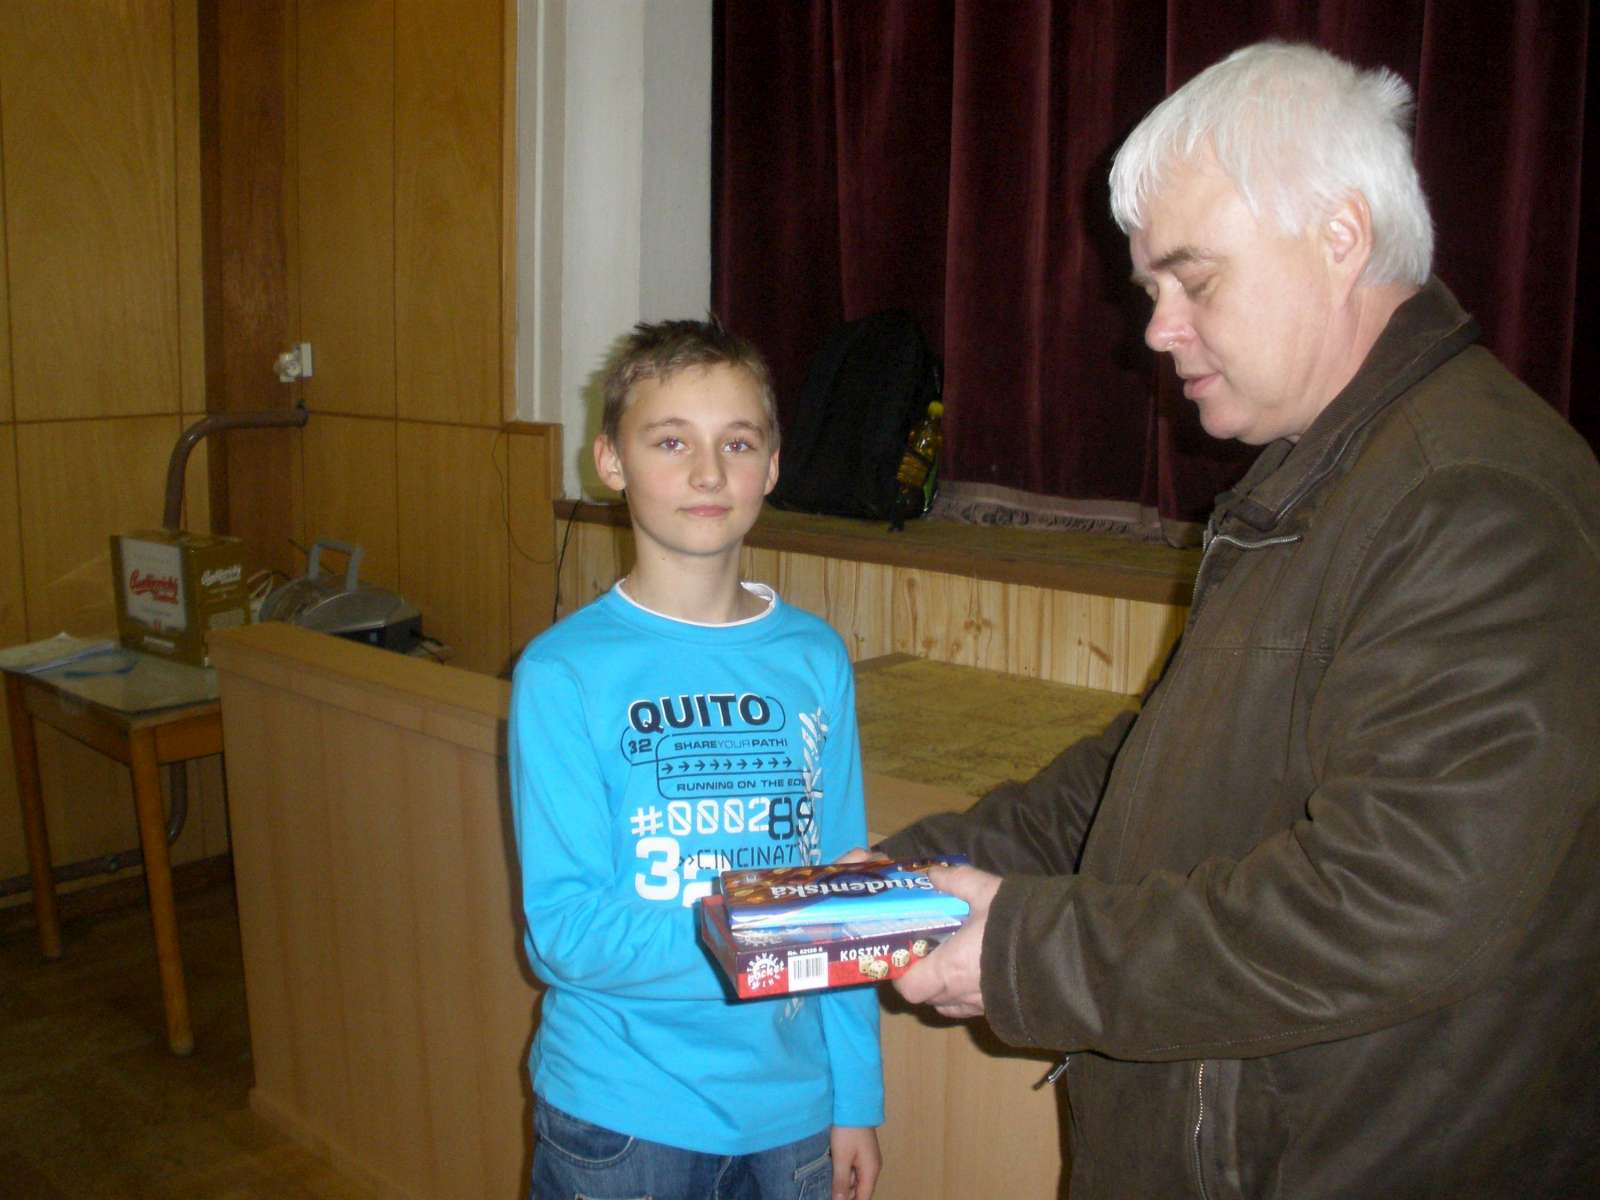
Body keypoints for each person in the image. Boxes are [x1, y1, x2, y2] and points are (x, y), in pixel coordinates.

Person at [876, 41, 1600, 1198]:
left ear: (1340, 235)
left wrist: (1023, 953)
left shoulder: (1471, 498)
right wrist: (920, 869)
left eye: (1194, 280)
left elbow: (1395, 904)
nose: (1156, 330)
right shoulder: (1329, 473)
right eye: (1151, 291)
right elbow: (1166, 765)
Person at [508, 318, 883, 1200]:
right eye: (671, 441)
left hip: (793, 1112)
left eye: (737, 443)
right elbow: (566, 933)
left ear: (773, 465)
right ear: (611, 461)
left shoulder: (815, 658)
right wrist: (776, 929)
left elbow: (843, 892)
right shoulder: (563, 672)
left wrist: (857, 1097)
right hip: (622, 1114)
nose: (709, 472)